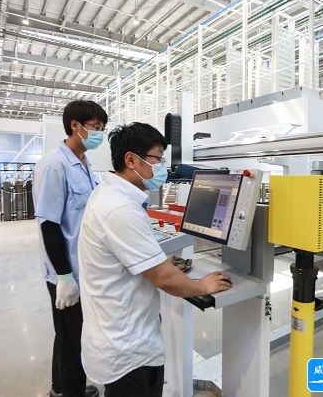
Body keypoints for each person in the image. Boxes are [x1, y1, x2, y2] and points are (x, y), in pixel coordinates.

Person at [78, 122, 232, 397]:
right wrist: (203, 286)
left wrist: (158, 262)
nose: (162, 166)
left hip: (118, 335)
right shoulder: (120, 208)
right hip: (127, 351)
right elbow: (164, 279)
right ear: (131, 160)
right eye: (157, 159)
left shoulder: (110, 194)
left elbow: (133, 260)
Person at [32, 100, 108, 397]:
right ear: (75, 126)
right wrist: (63, 276)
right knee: (73, 338)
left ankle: (60, 388)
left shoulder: (85, 164)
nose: (99, 133)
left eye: (102, 128)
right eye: (95, 127)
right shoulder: (55, 165)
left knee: (67, 335)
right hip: (66, 271)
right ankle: (72, 391)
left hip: (82, 267)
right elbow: (49, 225)